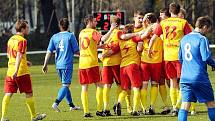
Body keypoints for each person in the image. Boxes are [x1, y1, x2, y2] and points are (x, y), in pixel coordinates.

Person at [148, 3, 192, 115]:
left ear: (170, 11)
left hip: (167, 57)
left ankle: (174, 107)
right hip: (180, 57)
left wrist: (149, 49)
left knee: (172, 83)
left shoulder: (163, 23)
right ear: (179, 11)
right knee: (183, 82)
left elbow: (153, 37)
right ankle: (177, 106)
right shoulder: (183, 22)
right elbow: (190, 38)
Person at [1, 20, 46, 121]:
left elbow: (9, 55)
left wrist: (25, 62)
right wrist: (17, 70)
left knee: (8, 93)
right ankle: (34, 116)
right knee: (29, 93)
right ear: (22, 29)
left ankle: (3, 117)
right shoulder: (22, 40)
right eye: (27, 27)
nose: (28, 29)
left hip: (10, 71)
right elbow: (18, 55)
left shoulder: (10, 39)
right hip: (21, 72)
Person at [78, 14, 117, 117]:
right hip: (91, 63)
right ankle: (100, 110)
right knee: (99, 85)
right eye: (94, 21)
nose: (96, 23)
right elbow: (103, 38)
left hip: (82, 63)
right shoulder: (93, 32)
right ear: (90, 21)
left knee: (84, 88)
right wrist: (111, 29)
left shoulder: (81, 33)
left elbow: (88, 46)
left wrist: (99, 46)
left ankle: (86, 112)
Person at [178, 16, 215, 121]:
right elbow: (206, 57)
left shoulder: (184, 38)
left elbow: (180, 58)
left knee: (185, 105)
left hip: (184, 77)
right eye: (207, 29)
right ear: (204, 27)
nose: (207, 32)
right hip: (199, 77)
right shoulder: (202, 39)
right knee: (210, 103)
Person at [42, 18, 80, 112]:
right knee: (66, 85)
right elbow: (77, 51)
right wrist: (87, 54)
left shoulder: (54, 37)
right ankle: (56, 103)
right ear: (68, 26)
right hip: (67, 64)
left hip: (58, 65)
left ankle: (71, 105)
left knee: (65, 85)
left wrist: (45, 64)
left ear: (60, 26)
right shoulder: (71, 36)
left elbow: (49, 51)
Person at [138, 13, 163, 115]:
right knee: (154, 84)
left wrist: (146, 17)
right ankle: (152, 106)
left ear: (147, 21)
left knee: (144, 85)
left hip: (145, 60)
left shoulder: (145, 29)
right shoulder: (158, 27)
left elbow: (144, 23)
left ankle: (144, 108)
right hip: (156, 60)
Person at [116, 24, 142, 116]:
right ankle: (135, 110)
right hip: (132, 64)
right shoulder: (135, 38)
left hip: (123, 66)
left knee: (125, 89)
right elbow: (139, 49)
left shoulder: (121, 41)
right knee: (136, 88)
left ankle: (119, 102)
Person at [100, 16, 122, 116]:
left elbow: (115, 48)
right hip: (115, 63)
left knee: (107, 86)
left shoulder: (116, 33)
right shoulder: (118, 33)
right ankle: (116, 103)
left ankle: (106, 108)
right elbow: (104, 40)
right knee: (119, 85)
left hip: (107, 63)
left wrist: (103, 55)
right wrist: (111, 30)